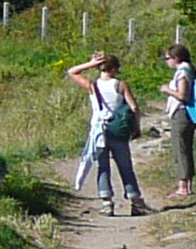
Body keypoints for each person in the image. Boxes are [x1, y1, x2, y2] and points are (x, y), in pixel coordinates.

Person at [63, 51, 150, 215]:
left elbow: (72, 71)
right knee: (125, 166)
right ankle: (135, 201)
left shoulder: (92, 85)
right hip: (117, 129)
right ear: (115, 68)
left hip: (99, 131)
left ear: (100, 68)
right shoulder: (120, 85)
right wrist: (136, 127)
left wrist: (91, 63)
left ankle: (107, 203)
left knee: (103, 167)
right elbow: (134, 108)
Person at [160, 43, 196, 204]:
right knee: (185, 148)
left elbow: (182, 95)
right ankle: (186, 184)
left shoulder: (183, 72)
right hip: (186, 114)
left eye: (168, 58)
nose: (166, 62)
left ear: (176, 58)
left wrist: (166, 90)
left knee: (181, 149)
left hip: (181, 113)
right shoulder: (188, 69)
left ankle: (183, 187)